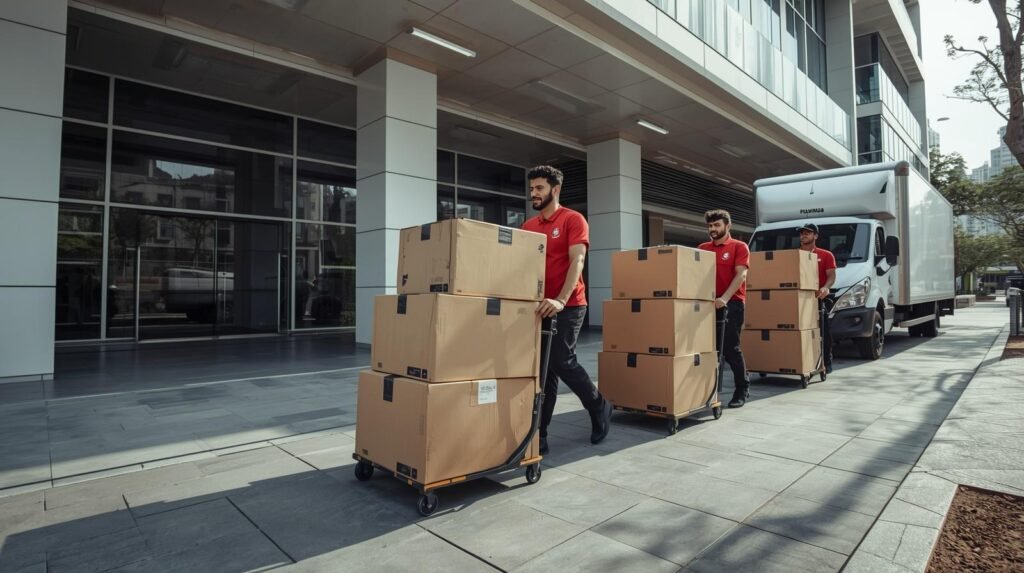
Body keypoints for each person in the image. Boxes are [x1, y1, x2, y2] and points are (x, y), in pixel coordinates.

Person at [522, 165, 612, 455]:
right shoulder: (528, 226)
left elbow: (577, 261)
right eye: (532, 188)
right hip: (539, 306)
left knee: (561, 360)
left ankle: (598, 405)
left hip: (569, 304)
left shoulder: (573, 220)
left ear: (555, 189)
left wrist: (560, 299)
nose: (534, 193)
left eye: (539, 188)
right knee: (543, 370)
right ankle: (541, 433)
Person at [698, 209, 751, 408]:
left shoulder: (739, 247)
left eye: (717, 225)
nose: (713, 229)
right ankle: (707, 391)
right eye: (710, 226)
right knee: (709, 349)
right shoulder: (703, 248)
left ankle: (742, 389)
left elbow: (741, 275)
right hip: (708, 304)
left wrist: (725, 298)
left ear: (728, 226)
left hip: (732, 302)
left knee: (730, 349)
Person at [797, 223, 837, 374]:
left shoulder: (826, 255)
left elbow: (831, 276)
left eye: (808, 232)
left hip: (818, 298)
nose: (804, 235)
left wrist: (826, 287)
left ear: (816, 236)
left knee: (823, 331)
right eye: (802, 233)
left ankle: (826, 361)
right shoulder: (794, 254)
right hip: (798, 299)